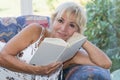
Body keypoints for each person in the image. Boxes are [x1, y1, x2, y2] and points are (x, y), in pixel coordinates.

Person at [0, 2, 112, 80]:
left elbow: (106, 64)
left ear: (77, 30)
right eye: (60, 20)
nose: (63, 28)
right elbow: (2, 57)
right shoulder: (35, 31)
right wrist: (36, 70)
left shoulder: (72, 55)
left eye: (72, 25)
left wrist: (83, 41)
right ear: (53, 20)